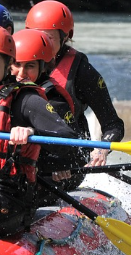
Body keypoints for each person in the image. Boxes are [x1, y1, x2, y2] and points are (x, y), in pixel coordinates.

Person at [0, 26, 79, 238]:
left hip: (10, 201)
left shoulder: (26, 100)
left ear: (8, 65)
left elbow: (71, 144)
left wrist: (32, 134)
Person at [25, 0, 124, 168]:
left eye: (48, 38)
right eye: (36, 37)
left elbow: (113, 125)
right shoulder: (16, 64)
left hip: (68, 158)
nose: (42, 45)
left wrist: (102, 150)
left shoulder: (82, 72)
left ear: (65, 37)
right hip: (28, 151)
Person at [11, 29, 88, 190]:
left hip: (50, 174)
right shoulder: (1, 90)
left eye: (30, 66)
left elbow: (78, 152)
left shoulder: (54, 101)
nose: (21, 73)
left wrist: (60, 164)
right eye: (16, 64)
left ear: (43, 67)